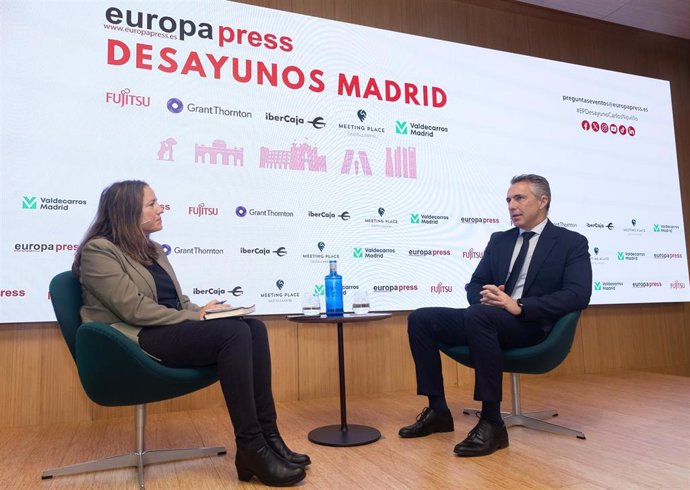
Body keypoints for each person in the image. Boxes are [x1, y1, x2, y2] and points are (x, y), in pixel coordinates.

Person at [72, 180, 308, 486]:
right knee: (232, 335)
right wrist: (196, 317)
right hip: (133, 339)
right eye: (152, 203)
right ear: (128, 211)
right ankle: (251, 447)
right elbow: (134, 309)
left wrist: (204, 310)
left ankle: (269, 438)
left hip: (164, 327)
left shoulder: (151, 249)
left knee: (254, 327)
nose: (160, 209)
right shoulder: (99, 251)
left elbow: (176, 300)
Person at [399, 174, 592, 457]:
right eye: (508, 200)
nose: (512, 205)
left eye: (519, 198)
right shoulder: (500, 240)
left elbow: (578, 294)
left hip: (532, 325)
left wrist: (519, 306)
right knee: (421, 319)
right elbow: (475, 283)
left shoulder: (570, 242)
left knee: (479, 317)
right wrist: (487, 296)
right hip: (489, 318)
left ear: (543, 201)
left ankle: (491, 422)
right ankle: (438, 411)